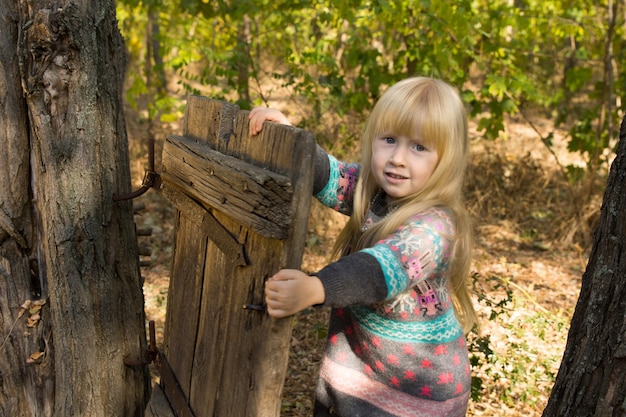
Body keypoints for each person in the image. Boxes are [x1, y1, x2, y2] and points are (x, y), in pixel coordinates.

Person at [249, 76, 477, 417]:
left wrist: (316, 287)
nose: (398, 158)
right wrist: (291, 138)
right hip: (361, 367)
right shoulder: (373, 192)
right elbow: (329, 175)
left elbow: (379, 270)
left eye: (419, 147)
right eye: (389, 140)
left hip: (417, 393)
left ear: (446, 159)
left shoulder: (434, 228)